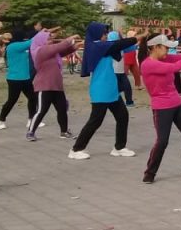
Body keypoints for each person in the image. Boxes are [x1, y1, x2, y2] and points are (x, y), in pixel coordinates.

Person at [140, 34, 181, 182]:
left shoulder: (164, 58)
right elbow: (175, 67)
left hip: (177, 104)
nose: (168, 51)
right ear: (155, 47)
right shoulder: (148, 64)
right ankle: (149, 173)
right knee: (162, 141)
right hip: (162, 108)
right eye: (166, 47)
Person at [69, 22, 138, 160]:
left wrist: (140, 41)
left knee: (122, 116)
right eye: (104, 33)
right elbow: (119, 44)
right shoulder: (96, 46)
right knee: (95, 121)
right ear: (96, 34)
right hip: (101, 90)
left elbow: (122, 47)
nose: (106, 35)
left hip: (111, 89)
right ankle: (76, 149)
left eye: (106, 33)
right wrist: (137, 37)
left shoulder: (102, 47)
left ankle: (119, 148)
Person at [28, 29, 81, 140]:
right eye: (48, 38)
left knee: (62, 109)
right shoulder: (40, 51)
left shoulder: (52, 52)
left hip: (56, 86)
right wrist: (71, 38)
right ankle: (31, 132)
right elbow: (59, 47)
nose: (51, 40)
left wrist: (78, 45)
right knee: (41, 110)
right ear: (41, 40)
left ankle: (64, 131)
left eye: (51, 38)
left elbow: (63, 51)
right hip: (44, 86)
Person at [0, 26, 38, 131]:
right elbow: (32, 41)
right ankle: (1, 120)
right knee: (12, 100)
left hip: (25, 78)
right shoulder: (13, 46)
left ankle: (31, 119)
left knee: (33, 98)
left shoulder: (20, 45)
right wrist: (42, 33)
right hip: (14, 79)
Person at [109, 31, 135, 107]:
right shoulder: (108, 48)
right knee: (116, 88)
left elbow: (131, 47)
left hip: (121, 72)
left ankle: (129, 102)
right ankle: (113, 102)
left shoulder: (121, 48)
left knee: (127, 87)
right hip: (113, 72)